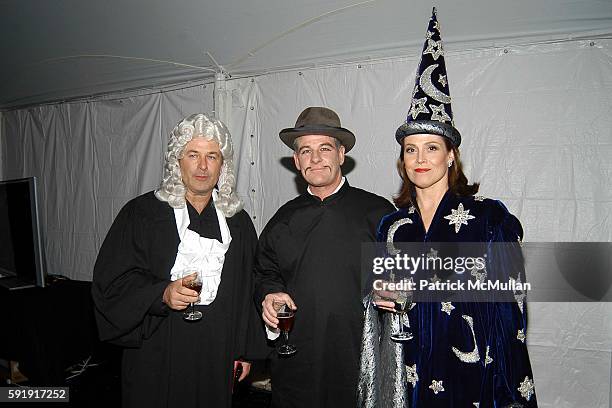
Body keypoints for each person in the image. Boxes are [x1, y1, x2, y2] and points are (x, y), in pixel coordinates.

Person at [358, 8, 537, 407]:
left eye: (432, 147)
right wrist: (380, 297)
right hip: (408, 373)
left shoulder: (489, 219)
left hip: (473, 377)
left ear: (451, 156)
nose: (421, 158)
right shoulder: (391, 225)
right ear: (402, 159)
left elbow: (511, 302)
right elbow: (383, 301)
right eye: (411, 150)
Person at [92, 113, 263, 408]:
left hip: (215, 355)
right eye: (193, 154)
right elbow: (111, 283)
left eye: (212, 156)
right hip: (157, 355)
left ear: (223, 165)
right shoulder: (142, 214)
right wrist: (161, 294)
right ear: (177, 160)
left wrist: (243, 350)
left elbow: (248, 288)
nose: (202, 166)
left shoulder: (239, 223)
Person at [254, 106, 395, 408]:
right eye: (306, 151)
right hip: (296, 363)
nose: (315, 159)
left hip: (360, 362)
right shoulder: (283, 219)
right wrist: (268, 294)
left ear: (341, 154)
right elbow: (265, 272)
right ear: (296, 161)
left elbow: (406, 278)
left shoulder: (377, 213)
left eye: (325, 149)